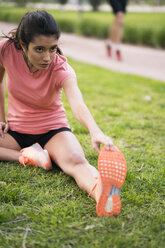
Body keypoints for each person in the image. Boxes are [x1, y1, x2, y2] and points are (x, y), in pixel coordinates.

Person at [0, 10, 126, 217]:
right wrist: (0, 119)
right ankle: (27, 156)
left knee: (76, 161)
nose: (48, 57)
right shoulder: (5, 51)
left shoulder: (61, 69)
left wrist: (95, 131)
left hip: (53, 131)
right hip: (16, 131)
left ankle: (102, 192)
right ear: (23, 45)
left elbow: (78, 104)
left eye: (52, 48)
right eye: (39, 49)